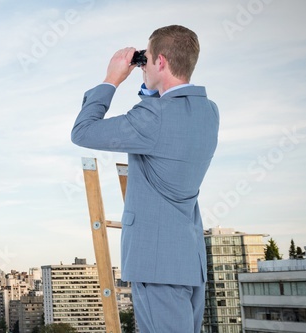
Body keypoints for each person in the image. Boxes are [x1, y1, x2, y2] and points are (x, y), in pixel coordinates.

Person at [70, 25, 219, 332]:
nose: (143, 64)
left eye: (147, 59)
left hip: (156, 266)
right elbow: (162, 116)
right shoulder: (209, 111)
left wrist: (111, 80)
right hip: (187, 262)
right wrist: (150, 84)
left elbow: (83, 131)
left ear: (161, 62)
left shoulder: (153, 119)